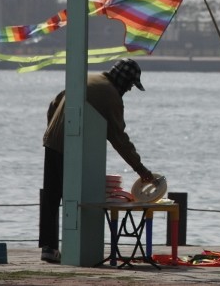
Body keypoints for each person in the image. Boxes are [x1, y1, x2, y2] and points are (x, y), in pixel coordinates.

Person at [39, 58, 155, 264]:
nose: (129, 90)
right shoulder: (111, 96)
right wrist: (140, 169)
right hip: (71, 146)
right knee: (76, 196)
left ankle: (49, 248)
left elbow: (54, 103)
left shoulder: (89, 78)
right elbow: (119, 138)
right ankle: (79, 248)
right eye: (129, 85)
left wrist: (52, 131)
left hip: (52, 140)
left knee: (51, 194)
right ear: (122, 80)